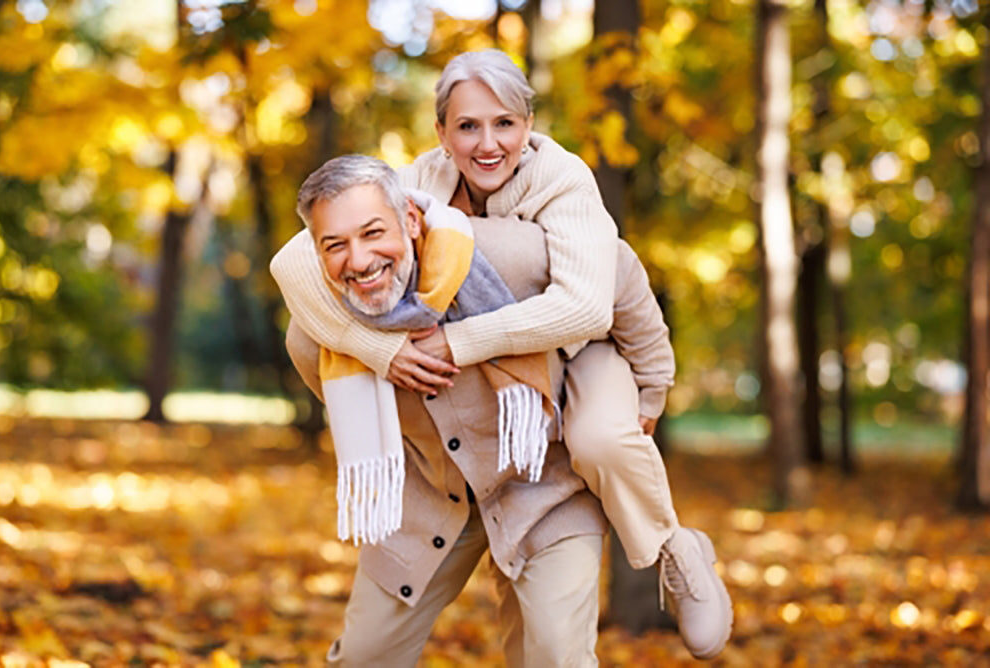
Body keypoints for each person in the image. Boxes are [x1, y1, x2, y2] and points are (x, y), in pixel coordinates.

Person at [272, 50, 732, 660]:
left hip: (572, 371)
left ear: (529, 124)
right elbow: (297, 262)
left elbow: (601, 301)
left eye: (504, 124)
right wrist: (378, 353)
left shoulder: (561, 188)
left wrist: (649, 390)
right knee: (365, 654)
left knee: (600, 439)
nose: (487, 143)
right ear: (441, 134)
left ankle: (674, 546)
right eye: (467, 126)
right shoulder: (414, 191)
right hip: (449, 469)